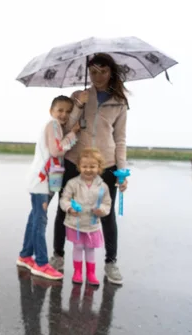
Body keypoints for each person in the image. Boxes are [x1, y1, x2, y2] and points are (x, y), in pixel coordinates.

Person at [51, 53, 129, 285]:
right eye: (93, 72)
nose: (98, 76)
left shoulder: (119, 102)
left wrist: (121, 171)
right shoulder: (79, 96)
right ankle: (57, 256)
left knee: (105, 212)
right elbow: (66, 129)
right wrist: (78, 104)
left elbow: (121, 138)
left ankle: (111, 262)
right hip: (75, 160)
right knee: (63, 209)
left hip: (105, 163)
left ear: (111, 72)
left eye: (103, 71)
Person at [17, 95, 80, 280]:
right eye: (60, 110)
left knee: (35, 218)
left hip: (44, 181)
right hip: (41, 180)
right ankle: (41, 263)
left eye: (68, 111)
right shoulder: (52, 125)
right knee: (40, 221)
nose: (64, 114)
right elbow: (56, 150)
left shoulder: (56, 126)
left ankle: (25, 256)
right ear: (51, 111)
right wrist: (73, 135)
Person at [59, 148, 112, 285]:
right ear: (79, 167)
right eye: (85, 166)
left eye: (92, 166)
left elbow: (107, 203)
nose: (88, 170)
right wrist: (69, 208)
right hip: (75, 224)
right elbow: (64, 199)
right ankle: (77, 272)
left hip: (92, 225)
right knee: (78, 247)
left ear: (99, 167)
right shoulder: (72, 183)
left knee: (90, 248)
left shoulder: (103, 186)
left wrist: (102, 210)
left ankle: (91, 273)